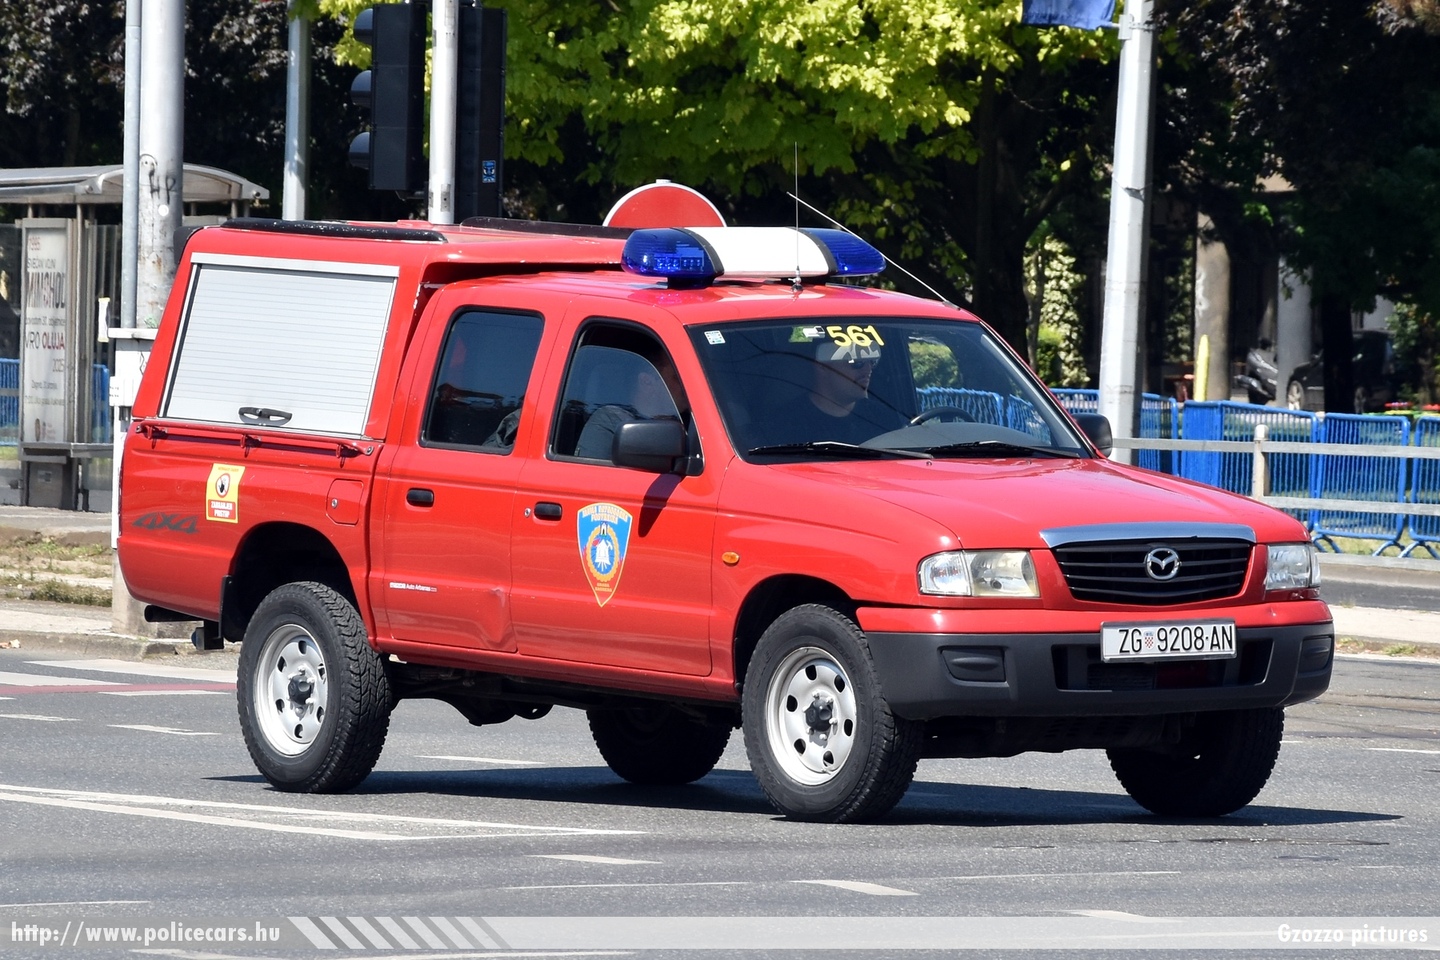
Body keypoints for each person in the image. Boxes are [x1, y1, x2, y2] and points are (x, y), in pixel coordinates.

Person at [574, 356, 685, 461]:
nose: (685, 386)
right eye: (677, 378)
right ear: (647, 382)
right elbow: (593, 473)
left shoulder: (690, 423)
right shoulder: (610, 420)